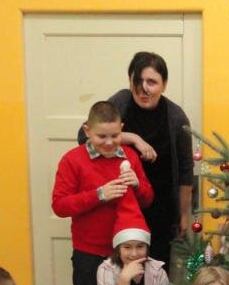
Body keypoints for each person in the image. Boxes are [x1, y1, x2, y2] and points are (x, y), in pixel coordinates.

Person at [54, 100, 153, 285]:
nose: (109, 143)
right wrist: (98, 194)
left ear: (122, 129)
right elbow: (60, 205)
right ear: (87, 131)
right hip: (88, 250)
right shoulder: (72, 160)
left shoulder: (131, 157)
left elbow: (147, 200)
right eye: (101, 136)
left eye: (114, 136)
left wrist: (138, 186)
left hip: (128, 253)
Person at [77, 51, 194, 267]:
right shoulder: (121, 101)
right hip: (119, 207)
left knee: (154, 273)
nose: (143, 89)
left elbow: (186, 170)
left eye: (152, 82)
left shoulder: (176, 117)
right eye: (137, 81)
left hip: (160, 210)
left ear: (164, 85)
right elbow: (84, 136)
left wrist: (184, 214)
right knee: (116, 273)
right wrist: (133, 138)